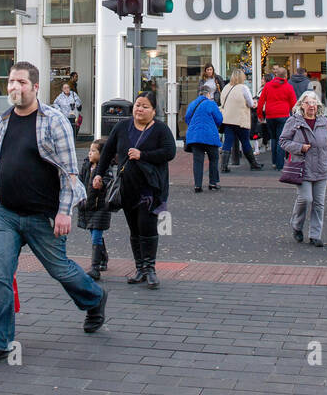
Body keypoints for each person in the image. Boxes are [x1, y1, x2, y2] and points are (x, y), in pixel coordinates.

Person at [0, 62, 106, 366]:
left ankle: (95, 298)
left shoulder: (54, 121)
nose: (14, 87)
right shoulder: (2, 122)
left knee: (60, 270)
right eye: (11, 82)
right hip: (6, 214)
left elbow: (70, 172)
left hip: (43, 216)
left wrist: (64, 212)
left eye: (21, 82)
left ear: (35, 87)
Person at [96, 94, 175, 289]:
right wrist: (99, 174)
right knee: (135, 229)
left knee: (147, 227)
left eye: (145, 107)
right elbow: (107, 152)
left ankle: (150, 269)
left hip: (151, 190)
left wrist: (143, 155)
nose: (140, 109)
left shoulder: (160, 129)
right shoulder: (122, 127)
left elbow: (169, 152)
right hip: (127, 188)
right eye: (138, 105)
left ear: (154, 111)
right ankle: (140, 268)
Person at [281, 91, 327, 248]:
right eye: (308, 103)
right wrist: (299, 147)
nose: (311, 106)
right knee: (306, 198)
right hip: (303, 167)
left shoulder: (323, 121)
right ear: (301, 105)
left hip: (322, 167)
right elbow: (283, 141)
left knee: (319, 203)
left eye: (314, 103)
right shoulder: (293, 121)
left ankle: (315, 235)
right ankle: (297, 224)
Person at [77, 138, 111, 280]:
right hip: (87, 206)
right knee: (94, 234)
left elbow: (109, 184)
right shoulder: (86, 166)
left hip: (100, 207)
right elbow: (79, 182)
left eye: (93, 151)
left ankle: (95, 268)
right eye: (89, 150)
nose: (90, 153)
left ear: (102, 154)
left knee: (96, 236)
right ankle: (103, 257)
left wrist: (102, 184)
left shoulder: (105, 169)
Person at [219, 68, 262, 172]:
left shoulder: (226, 88)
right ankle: (253, 164)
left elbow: (222, 101)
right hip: (240, 119)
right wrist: (253, 103)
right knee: (245, 141)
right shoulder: (243, 88)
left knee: (227, 142)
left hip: (228, 119)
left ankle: (224, 166)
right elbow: (250, 103)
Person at [184, 86, 224, 192]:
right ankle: (213, 183)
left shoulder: (192, 104)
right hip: (210, 135)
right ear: (208, 94)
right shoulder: (211, 104)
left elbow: (187, 118)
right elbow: (219, 119)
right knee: (214, 158)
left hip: (195, 137)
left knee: (197, 161)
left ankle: (197, 185)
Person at [256, 66, 297, 170]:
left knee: (273, 138)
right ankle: (280, 164)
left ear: (276, 75)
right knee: (281, 139)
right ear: (286, 76)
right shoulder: (288, 87)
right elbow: (293, 103)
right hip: (283, 115)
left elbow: (261, 101)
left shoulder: (268, 86)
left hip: (270, 115)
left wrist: (260, 115)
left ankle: (274, 162)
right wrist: (295, 115)